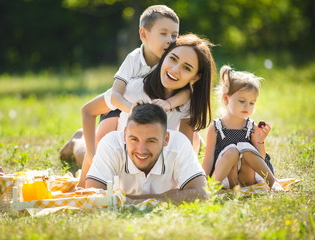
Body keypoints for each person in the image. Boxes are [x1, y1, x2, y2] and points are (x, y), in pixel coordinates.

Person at [59, 5, 203, 163]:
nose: (170, 40)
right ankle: (77, 142)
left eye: (174, 35)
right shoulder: (134, 59)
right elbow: (115, 95)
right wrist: (131, 109)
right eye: (163, 34)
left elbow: (188, 92)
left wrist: (169, 104)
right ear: (144, 34)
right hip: (119, 106)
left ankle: (197, 139)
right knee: (98, 156)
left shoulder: (172, 57)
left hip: (149, 113)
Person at [77, 33, 216, 188]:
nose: (175, 70)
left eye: (186, 68)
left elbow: (184, 148)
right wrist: (90, 156)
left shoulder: (188, 102)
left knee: (194, 142)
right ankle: (77, 141)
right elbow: (88, 110)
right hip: (123, 150)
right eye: (173, 59)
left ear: (195, 77)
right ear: (164, 56)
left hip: (152, 154)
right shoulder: (134, 89)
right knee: (84, 150)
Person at [85, 103, 209, 203]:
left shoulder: (179, 143)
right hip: (103, 152)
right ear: (124, 135)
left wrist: (126, 200)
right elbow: (93, 195)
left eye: (151, 141)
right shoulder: (111, 144)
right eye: (134, 139)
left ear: (166, 139)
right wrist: (172, 196)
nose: (141, 150)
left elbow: (202, 194)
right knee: (80, 151)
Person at [202, 65, 284, 192]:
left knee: (246, 148)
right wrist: (202, 180)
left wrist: (261, 141)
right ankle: (211, 188)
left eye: (252, 103)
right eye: (242, 101)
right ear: (226, 99)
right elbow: (208, 158)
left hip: (247, 180)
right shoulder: (216, 127)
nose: (247, 106)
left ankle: (273, 182)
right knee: (232, 150)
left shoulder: (251, 127)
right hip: (224, 178)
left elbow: (259, 158)